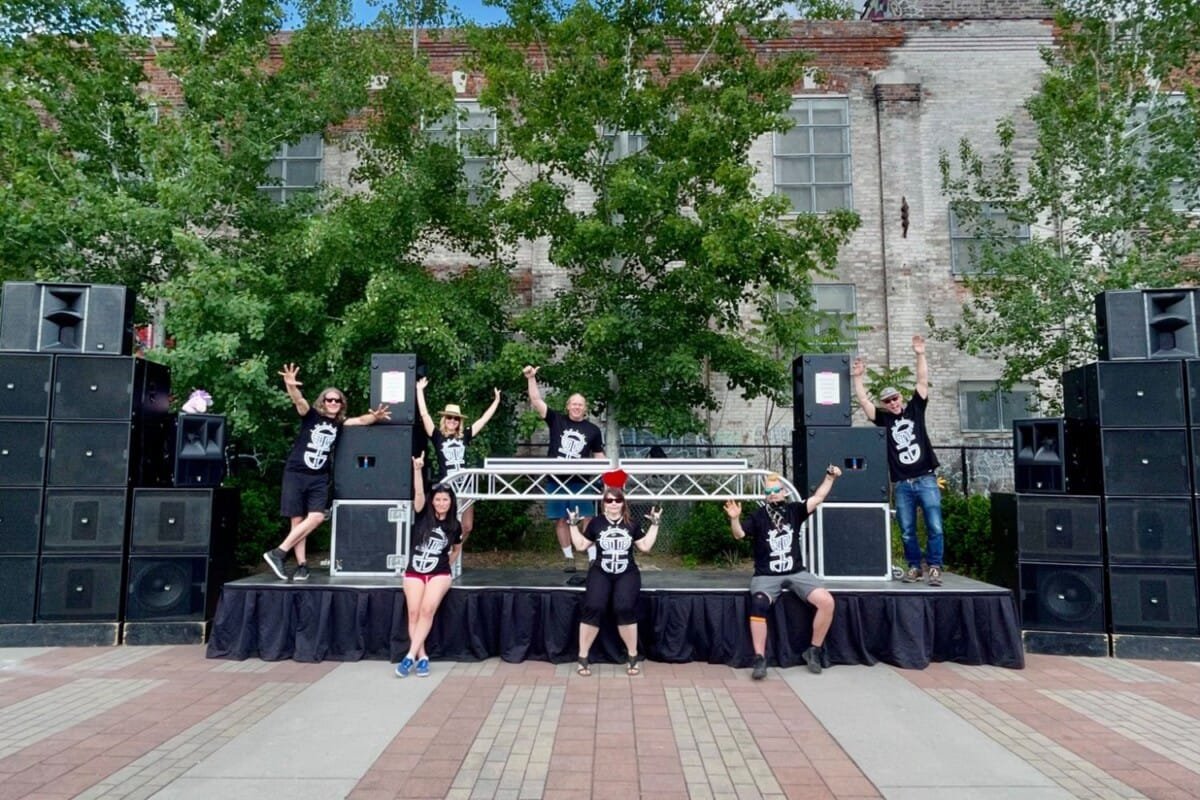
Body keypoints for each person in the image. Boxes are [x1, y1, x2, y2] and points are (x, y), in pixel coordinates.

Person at [264, 364, 390, 581]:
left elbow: (360, 420)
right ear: (322, 402)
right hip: (296, 472)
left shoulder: (340, 423)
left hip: (319, 476)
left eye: (337, 400)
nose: (332, 403)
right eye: (328, 400)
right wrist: (290, 385)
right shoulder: (311, 416)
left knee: (316, 517)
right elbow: (299, 401)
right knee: (297, 520)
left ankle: (278, 553)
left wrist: (376, 417)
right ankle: (302, 565)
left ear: (341, 404)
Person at [724, 469, 840, 679]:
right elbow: (739, 534)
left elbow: (819, 497)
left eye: (777, 490)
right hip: (766, 575)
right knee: (758, 603)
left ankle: (813, 650)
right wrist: (735, 519)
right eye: (769, 492)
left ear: (785, 492)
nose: (773, 494)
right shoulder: (759, 516)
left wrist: (830, 478)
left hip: (795, 571)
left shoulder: (795, 510)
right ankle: (760, 658)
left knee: (827, 601)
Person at [852, 334, 944, 586]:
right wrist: (858, 378)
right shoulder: (885, 420)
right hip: (903, 483)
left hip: (925, 477)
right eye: (888, 401)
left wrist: (920, 353)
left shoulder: (915, 409)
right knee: (906, 529)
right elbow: (863, 402)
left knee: (934, 525)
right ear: (885, 404)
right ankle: (915, 567)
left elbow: (923, 381)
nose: (892, 403)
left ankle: (934, 567)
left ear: (901, 399)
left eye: (895, 398)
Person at [568, 488, 661, 676]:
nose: (613, 504)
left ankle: (632, 655)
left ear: (623, 503)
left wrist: (655, 524)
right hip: (601, 569)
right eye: (609, 500)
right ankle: (583, 655)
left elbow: (645, 547)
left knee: (624, 608)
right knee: (594, 606)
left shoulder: (631, 524)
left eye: (617, 500)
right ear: (603, 503)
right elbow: (580, 546)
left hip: (626, 571)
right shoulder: (596, 523)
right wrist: (572, 524)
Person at [523, 365, 606, 572]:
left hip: (581, 481)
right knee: (561, 520)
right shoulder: (556, 420)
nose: (577, 407)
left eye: (581, 405)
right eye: (574, 404)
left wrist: (608, 479)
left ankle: (592, 557)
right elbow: (536, 401)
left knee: (587, 518)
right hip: (557, 480)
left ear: (584, 408)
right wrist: (532, 378)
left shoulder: (593, 430)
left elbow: (599, 455)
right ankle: (568, 558)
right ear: (568, 406)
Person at [395, 453, 462, 678]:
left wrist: (447, 565)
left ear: (451, 502)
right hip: (415, 570)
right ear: (433, 501)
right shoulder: (423, 515)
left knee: (427, 609)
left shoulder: (454, 524)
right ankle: (421, 657)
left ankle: (408, 657)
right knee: (413, 612)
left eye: (445, 500)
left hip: (439, 573)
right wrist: (417, 469)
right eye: (438, 499)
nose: (441, 503)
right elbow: (419, 493)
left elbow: (456, 548)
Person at [415, 376, 501, 547]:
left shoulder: (465, 436)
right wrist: (419, 391)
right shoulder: (437, 436)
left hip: (464, 484)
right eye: (449, 418)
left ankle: (454, 553)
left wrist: (496, 401)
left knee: (467, 526)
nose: (452, 421)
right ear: (444, 420)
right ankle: (444, 556)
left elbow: (483, 420)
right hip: (447, 485)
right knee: (446, 524)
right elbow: (425, 415)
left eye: (456, 419)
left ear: (459, 422)